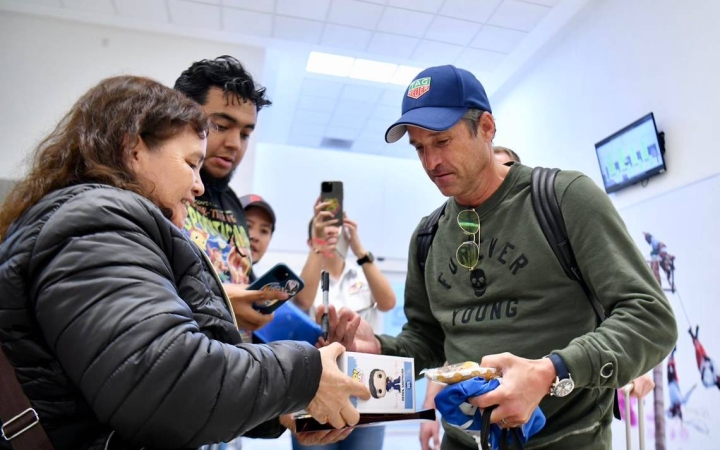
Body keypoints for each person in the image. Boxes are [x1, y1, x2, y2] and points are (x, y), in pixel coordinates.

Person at [0, 75, 369, 450]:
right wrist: (304, 377)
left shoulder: (94, 222)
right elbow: (162, 383)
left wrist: (280, 409)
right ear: (134, 149)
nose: (199, 185)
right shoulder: (96, 222)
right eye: (191, 163)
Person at [320, 65, 677, 449]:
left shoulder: (565, 199)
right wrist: (379, 349)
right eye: (419, 147)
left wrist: (550, 372)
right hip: (463, 440)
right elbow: (427, 341)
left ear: (487, 127)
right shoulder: (428, 236)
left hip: (567, 440)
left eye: (442, 141)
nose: (430, 162)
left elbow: (650, 317)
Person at [419, 145, 521, 450]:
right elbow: (445, 345)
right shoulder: (444, 243)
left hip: (528, 430)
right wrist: (428, 411)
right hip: (463, 433)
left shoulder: (538, 238)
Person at [174, 55, 282, 340]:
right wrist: (220, 300)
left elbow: (241, 280)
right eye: (220, 126)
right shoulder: (161, 190)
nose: (235, 144)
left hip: (235, 364)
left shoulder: (236, 205)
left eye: (246, 134)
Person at [292, 200, 397, 450]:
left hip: (365, 387)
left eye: (338, 233)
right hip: (316, 387)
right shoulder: (304, 278)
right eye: (324, 232)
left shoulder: (364, 274)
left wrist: (359, 249)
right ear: (312, 241)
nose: (333, 237)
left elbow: (388, 302)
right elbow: (303, 300)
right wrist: (319, 246)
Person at [240, 193, 276, 282]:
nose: (255, 237)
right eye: (248, 226)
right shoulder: (204, 276)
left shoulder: (260, 289)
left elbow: (301, 296)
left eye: (264, 231)